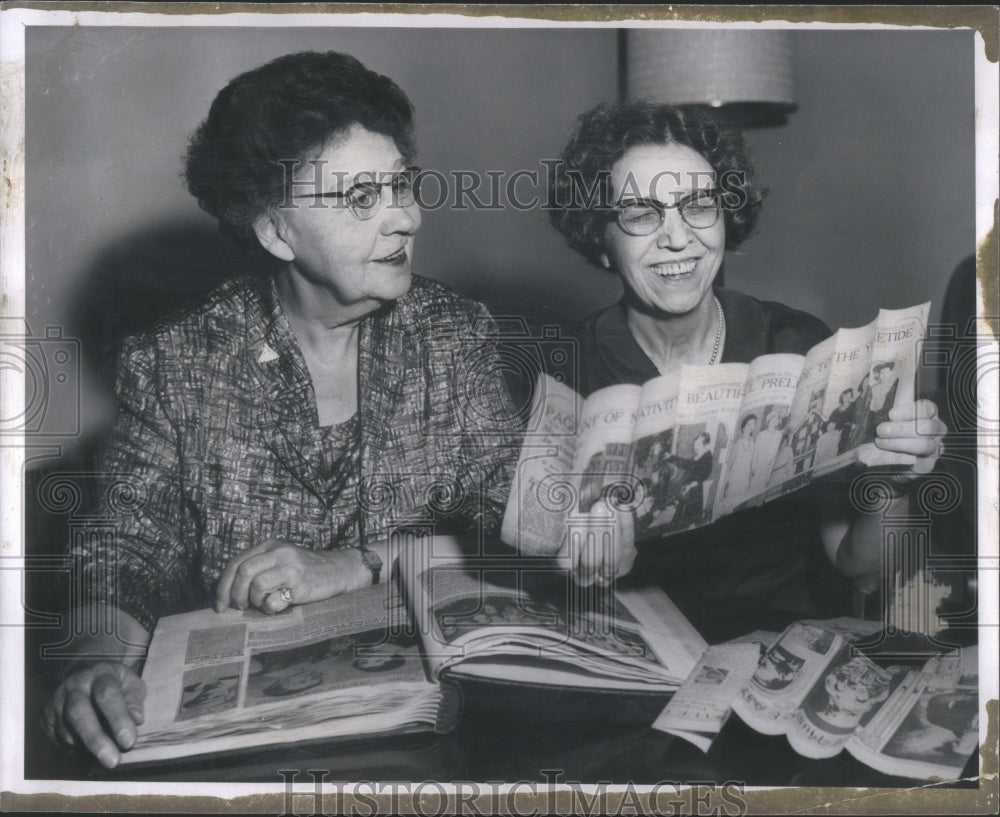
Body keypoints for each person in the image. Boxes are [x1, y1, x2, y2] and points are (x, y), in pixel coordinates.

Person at [42, 51, 521, 767]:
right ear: (275, 232)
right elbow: (122, 549)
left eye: (402, 185)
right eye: (363, 198)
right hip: (257, 754)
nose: (408, 217)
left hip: (438, 739)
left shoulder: (454, 336)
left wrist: (358, 563)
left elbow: (511, 524)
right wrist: (94, 665)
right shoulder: (178, 362)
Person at [546, 102, 946, 623]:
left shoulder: (797, 345)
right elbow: (541, 579)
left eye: (699, 206)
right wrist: (575, 561)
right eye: (642, 214)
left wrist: (894, 484)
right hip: (634, 656)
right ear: (601, 242)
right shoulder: (565, 371)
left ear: (725, 219)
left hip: (780, 649)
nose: (677, 237)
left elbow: (860, 567)